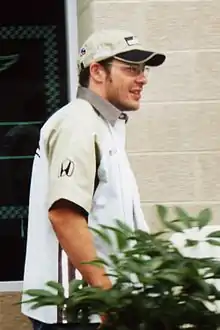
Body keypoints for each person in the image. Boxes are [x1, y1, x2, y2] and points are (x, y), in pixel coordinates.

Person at [22, 29, 166, 329]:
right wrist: (107, 301)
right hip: (77, 312)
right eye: (130, 69)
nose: (142, 79)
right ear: (97, 71)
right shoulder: (78, 123)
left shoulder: (106, 125)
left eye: (143, 70)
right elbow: (64, 216)